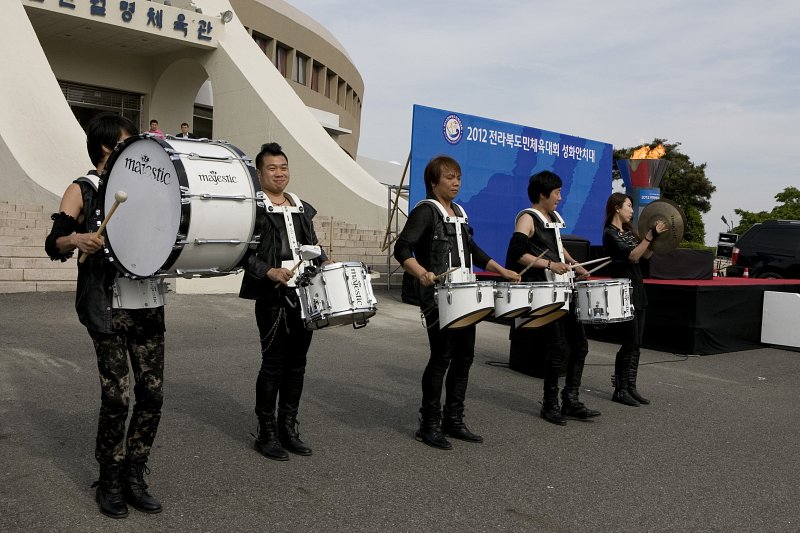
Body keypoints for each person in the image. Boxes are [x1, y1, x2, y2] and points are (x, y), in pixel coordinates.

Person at [44, 112, 166, 518]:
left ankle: (134, 475)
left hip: (147, 304)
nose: (136, 153)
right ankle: (109, 479)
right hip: (108, 307)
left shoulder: (147, 189)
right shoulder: (85, 189)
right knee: (118, 397)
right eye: (128, 144)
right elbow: (53, 243)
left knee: (152, 395)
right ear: (106, 146)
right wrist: (76, 238)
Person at [394, 155, 521, 450]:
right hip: (439, 299)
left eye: (458, 178)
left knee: (464, 358)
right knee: (441, 359)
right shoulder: (426, 212)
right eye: (449, 177)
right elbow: (402, 247)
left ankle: (454, 420)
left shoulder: (459, 212)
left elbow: (472, 249)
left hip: (465, 296)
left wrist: (501, 270)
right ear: (433, 181)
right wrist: (422, 273)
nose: (455, 183)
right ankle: (429, 425)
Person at [239, 142, 328, 461]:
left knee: (297, 365)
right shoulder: (253, 208)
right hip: (272, 297)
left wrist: (326, 264)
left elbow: (314, 245)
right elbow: (242, 254)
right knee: (274, 364)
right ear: (260, 173)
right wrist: (269, 271)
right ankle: (266, 433)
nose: (279, 173)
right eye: (272, 168)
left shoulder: (301, 207)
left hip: (304, 294)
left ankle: (288, 428)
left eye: (284, 167)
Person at [505, 171, 600, 425]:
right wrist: (550, 264)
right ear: (542, 194)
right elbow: (517, 254)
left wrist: (574, 264)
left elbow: (559, 246)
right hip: (545, 292)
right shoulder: (528, 218)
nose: (560, 197)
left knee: (580, 345)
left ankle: (571, 399)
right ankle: (550, 404)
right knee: (558, 348)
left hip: (564, 289)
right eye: (556, 192)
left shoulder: (553, 217)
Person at [602, 193, 668, 406]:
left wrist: (653, 237)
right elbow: (631, 256)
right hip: (624, 291)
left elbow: (645, 255)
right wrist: (649, 236)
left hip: (638, 289)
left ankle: (631, 386)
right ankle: (620, 390)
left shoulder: (629, 232)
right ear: (617, 208)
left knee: (637, 343)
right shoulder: (610, 234)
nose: (632, 211)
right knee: (629, 341)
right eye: (629, 206)